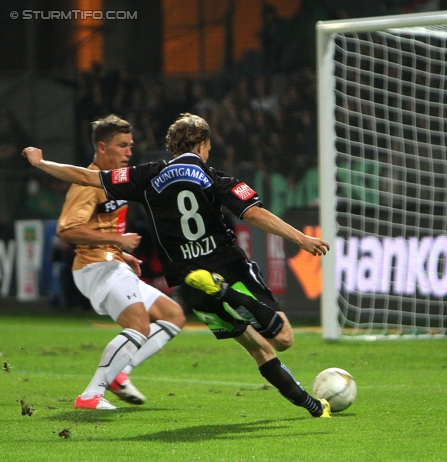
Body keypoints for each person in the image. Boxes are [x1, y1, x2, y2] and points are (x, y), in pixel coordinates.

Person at [22, 112, 332, 418]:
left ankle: (311, 405)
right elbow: (253, 213)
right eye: (208, 145)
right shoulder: (216, 177)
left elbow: (85, 176)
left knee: (258, 349)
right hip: (227, 266)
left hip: (189, 280)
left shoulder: (146, 175)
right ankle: (229, 293)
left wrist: (41, 164)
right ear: (201, 145)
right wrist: (301, 239)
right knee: (283, 339)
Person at [56, 115, 186, 410]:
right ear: (102, 147)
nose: (129, 152)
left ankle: (119, 374)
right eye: (122, 146)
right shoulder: (87, 184)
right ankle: (91, 395)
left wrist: (121, 253)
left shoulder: (113, 181)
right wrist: (119, 243)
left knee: (172, 315)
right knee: (139, 325)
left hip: (111, 263)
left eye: (130, 145)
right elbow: (67, 230)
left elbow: (97, 228)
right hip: (94, 268)